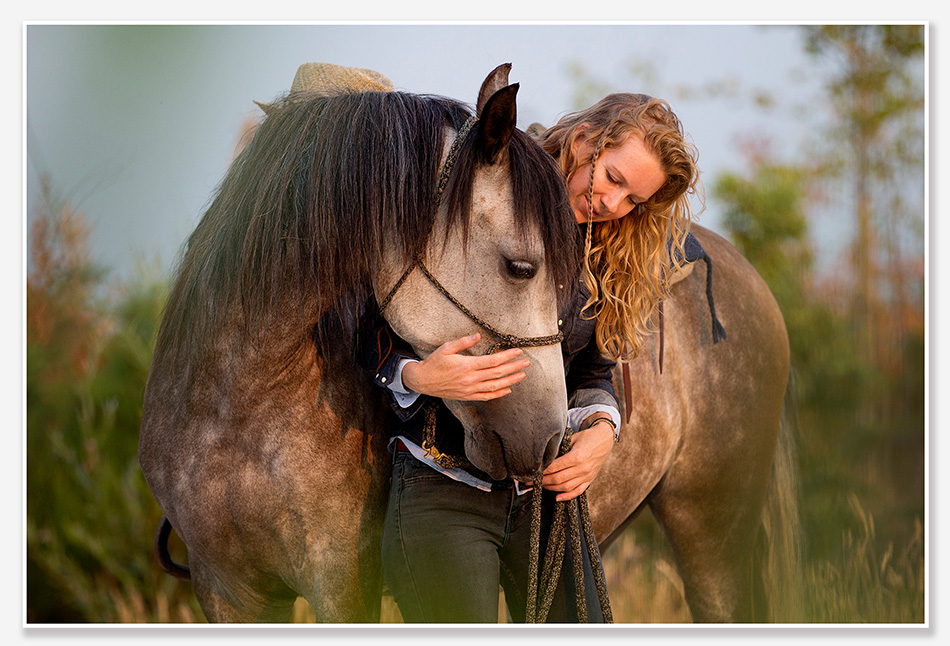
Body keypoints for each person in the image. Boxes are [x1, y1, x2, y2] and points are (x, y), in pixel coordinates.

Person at [357, 88, 701, 622]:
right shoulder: (487, 194)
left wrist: (602, 433)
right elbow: (369, 321)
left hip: (546, 500)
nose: (613, 205)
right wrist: (421, 375)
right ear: (584, 142)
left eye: (633, 199)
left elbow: (593, 371)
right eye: (612, 178)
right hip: (443, 479)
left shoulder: (604, 250)